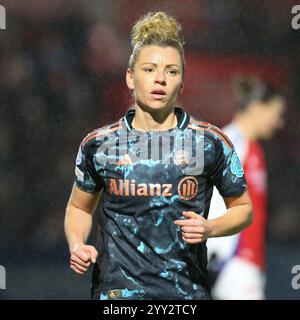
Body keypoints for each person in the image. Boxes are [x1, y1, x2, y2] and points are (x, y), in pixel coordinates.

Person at [64, 11, 253, 300]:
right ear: (130, 77)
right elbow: (79, 208)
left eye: (172, 71)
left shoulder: (210, 143)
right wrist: (77, 244)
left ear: (182, 81)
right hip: (117, 297)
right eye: (150, 69)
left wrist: (210, 228)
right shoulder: (99, 144)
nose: (160, 80)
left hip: (185, 296)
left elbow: (243, 208)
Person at [207, 76, 285, 300]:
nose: (278, 122)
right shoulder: (231, 142)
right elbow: (209, 196)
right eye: (276, 113)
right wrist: (215, 253)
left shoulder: (254, 149)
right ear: (257, 108)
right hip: (232, 262)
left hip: (248, 263)